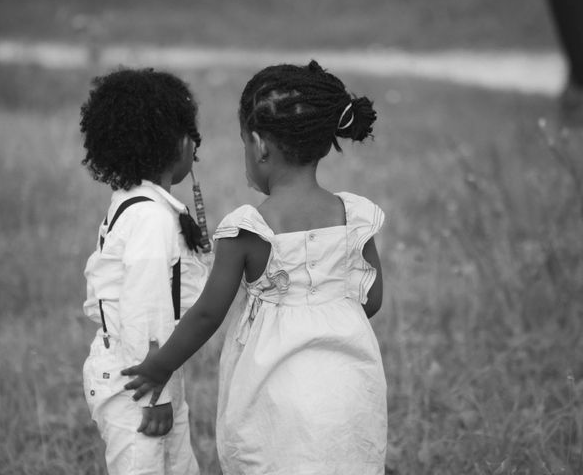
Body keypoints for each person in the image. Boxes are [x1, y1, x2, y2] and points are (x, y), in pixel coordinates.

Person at [123, 60, 388, 474]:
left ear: (260, 145)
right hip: (348, 388)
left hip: (276, 392)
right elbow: (371, 299)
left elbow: (209, 313)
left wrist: (161, 365)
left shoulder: (250, 228)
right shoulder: (355, 216)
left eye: (245, 143)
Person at [79, 67, 211, 475]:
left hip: (150, 373)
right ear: (182, 144)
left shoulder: (136, 202)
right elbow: (144, 307)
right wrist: (154, 397)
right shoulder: (151, 218)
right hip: (139, 381)